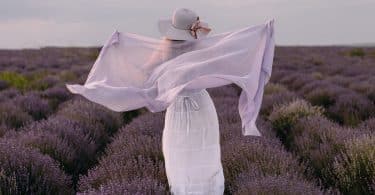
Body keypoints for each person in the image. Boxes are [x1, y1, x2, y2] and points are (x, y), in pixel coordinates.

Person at [157, 8, 225, 195]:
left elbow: (150, 72)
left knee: (179, 153)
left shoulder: (164, 46)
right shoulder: (201, 46)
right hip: (200, 104)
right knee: (204, 150)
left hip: (177, 105)